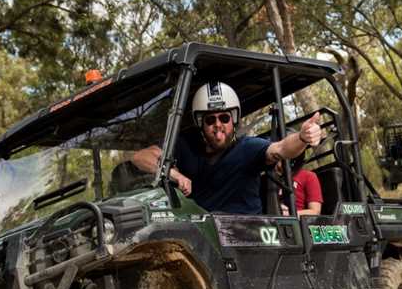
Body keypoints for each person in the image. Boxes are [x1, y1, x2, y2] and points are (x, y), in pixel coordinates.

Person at [132, 81, 322, 214]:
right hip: (204, 235)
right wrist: (175, 174)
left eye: (224, 118)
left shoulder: (248, 148)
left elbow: (281, 149)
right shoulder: (185, 145)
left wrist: (302, 138)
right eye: (210, 119)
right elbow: (140, 158)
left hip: (245, 234)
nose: (217, 125)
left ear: (234, 119)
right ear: (200, 123)